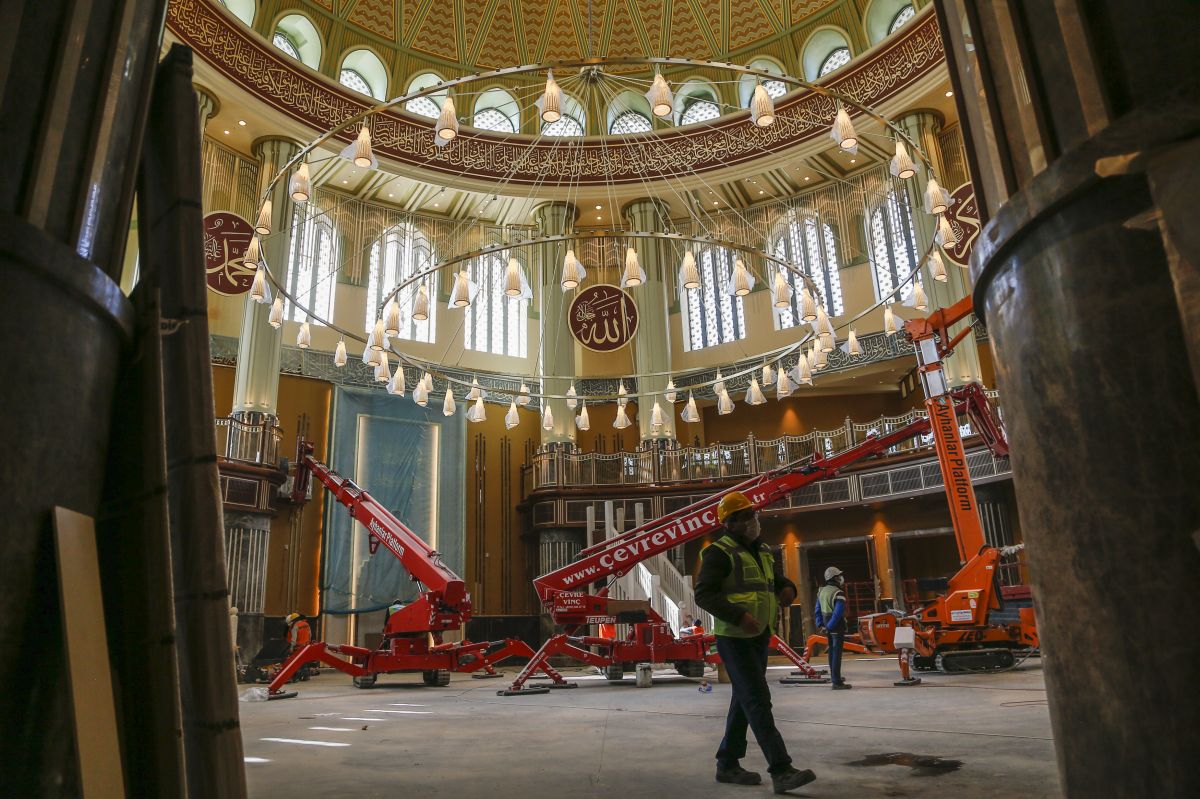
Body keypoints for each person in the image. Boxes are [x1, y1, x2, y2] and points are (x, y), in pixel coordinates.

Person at [695, 490, 817, 794]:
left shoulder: (762, 549)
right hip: (734, 637)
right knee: (758, 700)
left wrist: (788, 588)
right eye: (745, 517)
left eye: (753, 515)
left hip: (759, 635)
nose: (752, 521)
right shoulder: (718, 553)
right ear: (729, 523)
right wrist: (738, 616)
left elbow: (773, 580)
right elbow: (704, 594)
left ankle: (727, 764)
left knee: (744, 699)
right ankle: (781, 769)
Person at [814, 567, 851, 690]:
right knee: (836, 654)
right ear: (833, 578)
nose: (840, 578)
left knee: (831, 652)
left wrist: (822, 625)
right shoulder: (838, 593)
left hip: (826, 625)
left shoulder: (821, 591)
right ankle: (836, 682)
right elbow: (837, 613)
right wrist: (830, 626)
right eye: (838, 576)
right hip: (836, 626)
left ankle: (835, 677)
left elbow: (817, 610)